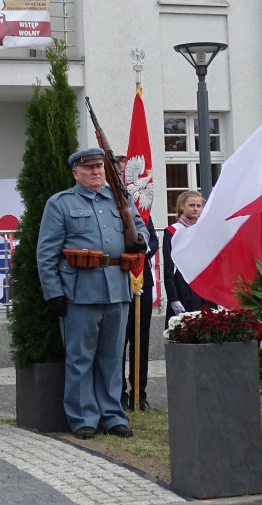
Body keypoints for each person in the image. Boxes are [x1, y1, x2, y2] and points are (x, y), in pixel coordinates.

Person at [37, 147, 147, 439]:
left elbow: (140, 227)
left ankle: (112, 415)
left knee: (112, 358)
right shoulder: (60, 203)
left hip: (117, 287)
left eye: (99, 167)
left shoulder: (120, 197)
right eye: (89, 168)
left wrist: (139, 242)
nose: (96, 172)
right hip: (80, 290)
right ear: (76, 173)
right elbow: (46, 253)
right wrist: (53, 293)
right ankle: (83, 416)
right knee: (80, 357)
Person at [115, 156, 159, 412]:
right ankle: (118, 394)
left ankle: (138, 395)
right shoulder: (109, 204)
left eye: (125, 172)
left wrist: (139, 252)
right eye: (119, 172)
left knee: (140, 342)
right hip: (118, 280)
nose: (123, 176)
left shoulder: (141, 208)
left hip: (141, 282)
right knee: (117, 343)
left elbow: (152, 241)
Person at [163, 190, 217, 326]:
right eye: (192, 205)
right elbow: (168, 270)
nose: (196, 209)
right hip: (183, 287)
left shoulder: (206, 230)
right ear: (182, 206)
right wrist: (173, 298)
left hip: (206, 286)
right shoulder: (173, 231)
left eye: (199, 206)